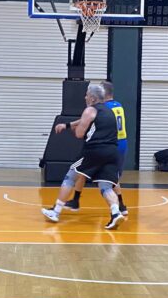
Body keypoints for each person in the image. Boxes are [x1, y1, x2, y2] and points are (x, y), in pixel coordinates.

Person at [42, 83, 125, 230]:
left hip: (94, 151)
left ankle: (56, 211)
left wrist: (76, 128)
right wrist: (70, 125)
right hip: (112, 152)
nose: (85, 97)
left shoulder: (90, 110)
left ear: (92, 98)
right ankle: (116, 213)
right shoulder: (109, 111)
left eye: (87, 95)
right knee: (105, 186)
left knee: (70, 176)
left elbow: (79, 134)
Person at [63, 80, 128, 215]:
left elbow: (86, 120)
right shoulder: (118, 105)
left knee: (106, 175)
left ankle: (120, 205)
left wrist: (69, 125)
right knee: (88, 172)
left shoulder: (104, 107)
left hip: (110, 143)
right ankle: (76, 199)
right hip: (121, 141)